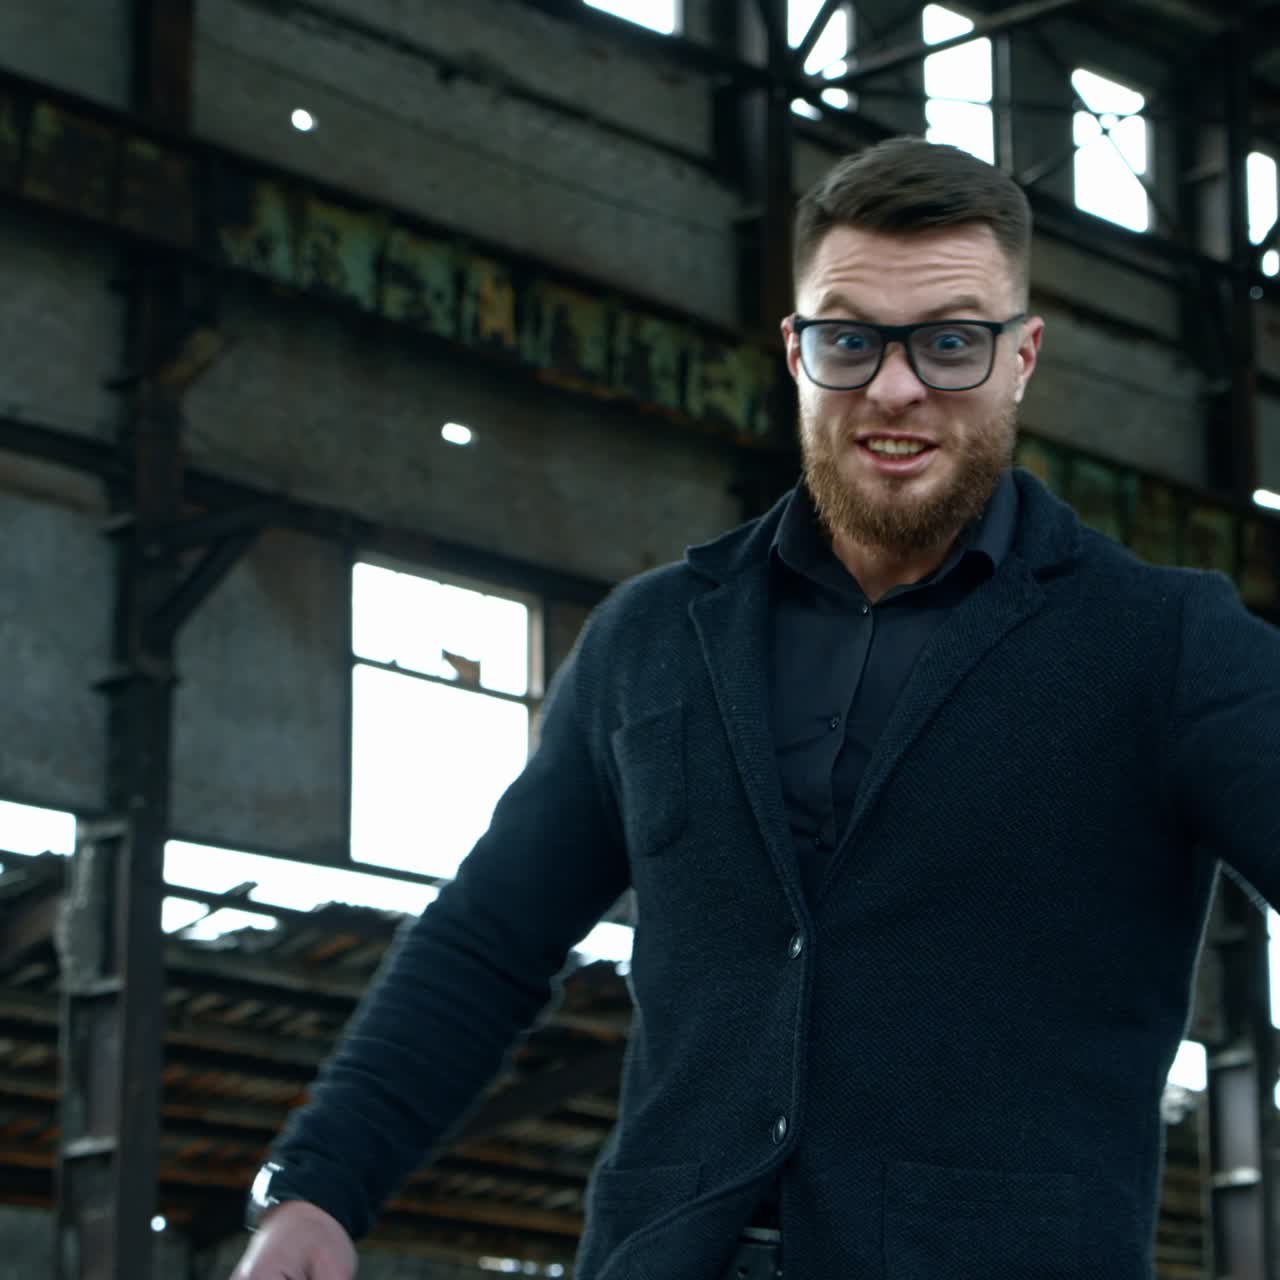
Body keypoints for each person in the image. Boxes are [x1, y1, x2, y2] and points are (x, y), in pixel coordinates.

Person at [230, 138, 1280, 1280]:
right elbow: (487, 943)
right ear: (795, 351)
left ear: (1020, 357)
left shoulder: (1164, 644)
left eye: (949, 342)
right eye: (850, 339)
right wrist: (319, 1185)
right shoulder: (652, 637)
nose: (894, 386)